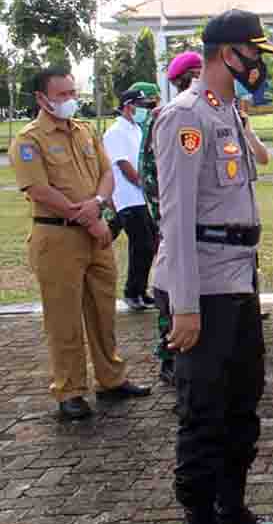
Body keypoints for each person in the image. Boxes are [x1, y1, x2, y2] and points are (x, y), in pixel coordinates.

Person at [153, 9, 273, 524]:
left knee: (242, 403)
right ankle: (200, 517)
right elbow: (177, 217)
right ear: (228, 54)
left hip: (236, 279)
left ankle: (233, 510)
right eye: (254, 54)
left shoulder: (228, 112)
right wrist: (183, 306)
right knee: (203, 411)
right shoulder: (187, 116)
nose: (259, 64)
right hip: (201, 286)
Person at [10, 68, 151, 421]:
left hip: (96, 234)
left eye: (73, 92)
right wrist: (88, 216)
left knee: (103, 312)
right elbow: (38, 189)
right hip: (57, 237)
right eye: (62, 95)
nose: (70, 99)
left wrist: (100, 205)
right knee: (64, 319)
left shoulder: (86, 131)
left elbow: (106, 174)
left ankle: (111, 379)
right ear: (42, 98)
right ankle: (70, 390)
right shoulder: (29, 140)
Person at [142, 52, 203, 385]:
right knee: (171, 282)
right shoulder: (168, 115)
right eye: (195, 73)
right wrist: (164, 216)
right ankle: (169, 355)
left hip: (183, 215)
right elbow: (152, 172)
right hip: (171, 215)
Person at [104, 83, 160, 311]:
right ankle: (131, 292)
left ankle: (140, 290)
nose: (146, 110)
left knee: (149, 245)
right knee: (142, 244)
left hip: (141, 198)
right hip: (127, 198)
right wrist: (144, 184)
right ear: (128, 106)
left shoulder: (137, 130)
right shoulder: (115, 132)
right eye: (143, 106)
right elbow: (124, 165)